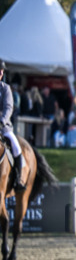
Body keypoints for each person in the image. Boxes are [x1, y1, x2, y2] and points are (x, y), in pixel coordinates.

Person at [0, 61, 26, 190]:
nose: (0, 72)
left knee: (16, 147)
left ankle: (18, 179)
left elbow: (8, 108)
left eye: (2, 70)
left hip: (3, 126)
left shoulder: (5, 89)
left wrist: (2, 121)